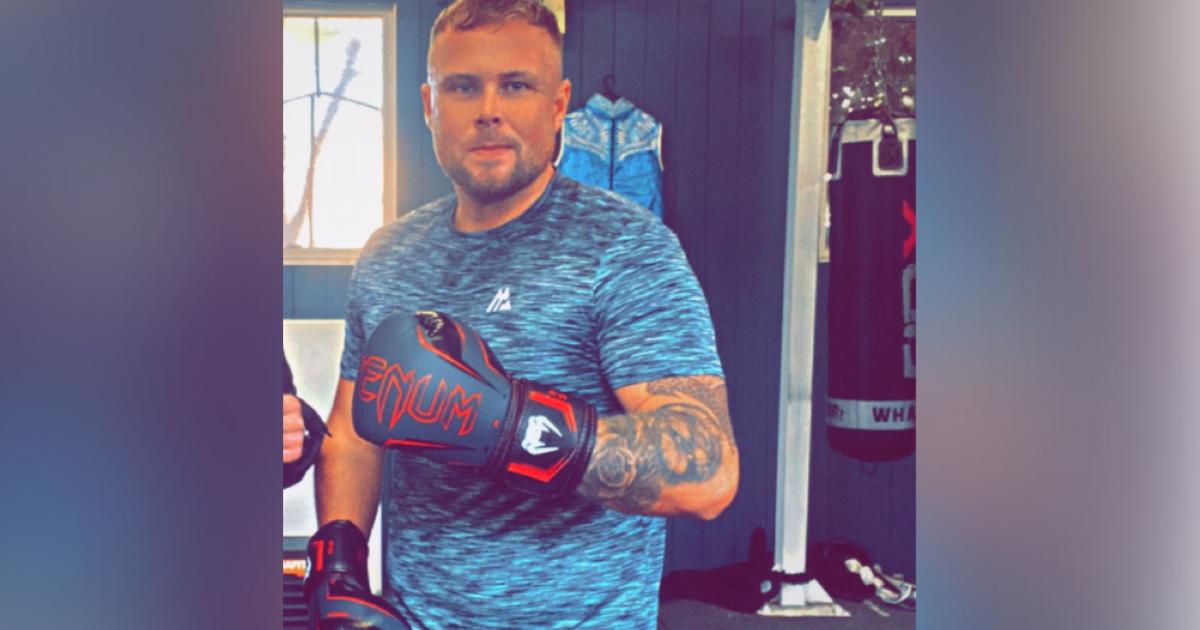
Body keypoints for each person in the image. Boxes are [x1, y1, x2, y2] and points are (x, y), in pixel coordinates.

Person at [306, 1, 739, 627]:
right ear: (429, 105)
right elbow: (352, 433)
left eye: (516, 85)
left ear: (558, 106)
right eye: (462, 87)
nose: (489, 109)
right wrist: (338, 560)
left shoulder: (626, 248)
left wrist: (510, 426)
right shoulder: (388, 256)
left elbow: (708, 472)